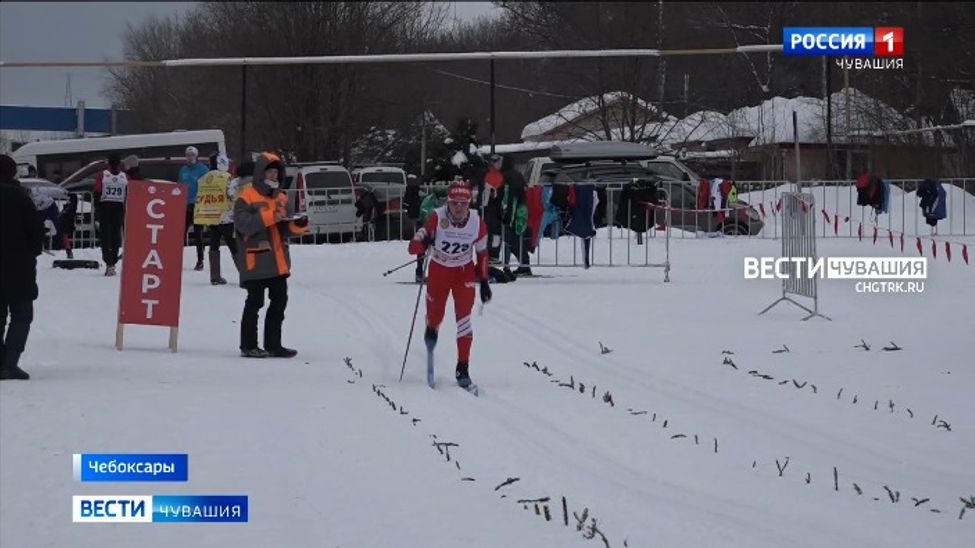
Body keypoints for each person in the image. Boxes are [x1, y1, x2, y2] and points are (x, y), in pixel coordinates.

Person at [408, 180, 492, 389]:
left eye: (464, 204)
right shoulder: (437, 216)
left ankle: (463, 367)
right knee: (436, 315)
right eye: (455, 203)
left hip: (463, 273)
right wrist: (424, 241)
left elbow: (482, 253)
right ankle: (431, 330)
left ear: (469, 204)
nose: (459, 208)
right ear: (448, 202)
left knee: (464, 318)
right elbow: (413, 246)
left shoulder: (477, 222)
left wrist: (483, 280)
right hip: (439, 271)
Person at [233, 152, 309, 358]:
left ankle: (273, 345)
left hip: (278, 261)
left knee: (279, 303)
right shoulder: (246, 196)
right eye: (270, 171)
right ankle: (248, 346)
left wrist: (298, 225)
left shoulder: (282, 197)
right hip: (256, 260)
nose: (274, 175)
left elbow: (284, 230)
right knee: (255, 302)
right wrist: (270, 216)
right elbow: (243, 225)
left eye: (277, 172)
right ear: (261, 173)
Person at [0, 154, 45, 380]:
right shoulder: (22, 198)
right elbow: (36, 234)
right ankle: (10, 362)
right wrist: (32, 252)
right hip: (19, 267)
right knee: (21, 315)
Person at [195, 153, 239, 285]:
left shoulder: (203, 178)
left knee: (214, 245)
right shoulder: (226, 177)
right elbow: (232, 195)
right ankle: (245, 276)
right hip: (226, 217)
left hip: (210, 217)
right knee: (234, 246)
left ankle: (215, 276)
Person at [93, 154, 128, 276]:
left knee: (105, 238)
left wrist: (97, 210)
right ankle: (112, 261)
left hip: (105, 208)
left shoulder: (102, 175)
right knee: (115, 237)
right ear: (120, 164)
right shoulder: (124, 176)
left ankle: (109, 263)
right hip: (118, 209)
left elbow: (97, 193)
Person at [178, 146, 209, 271]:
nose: (189, 157)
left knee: (198, 233)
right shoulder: (183, 169)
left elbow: (208, 187)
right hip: (184, 205)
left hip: (198, 205)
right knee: (181, 233)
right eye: (187, 155)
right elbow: (179, 185)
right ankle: (177, 259)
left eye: (192, 155)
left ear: (196, 156)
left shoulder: (203, 169)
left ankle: (200, 260)